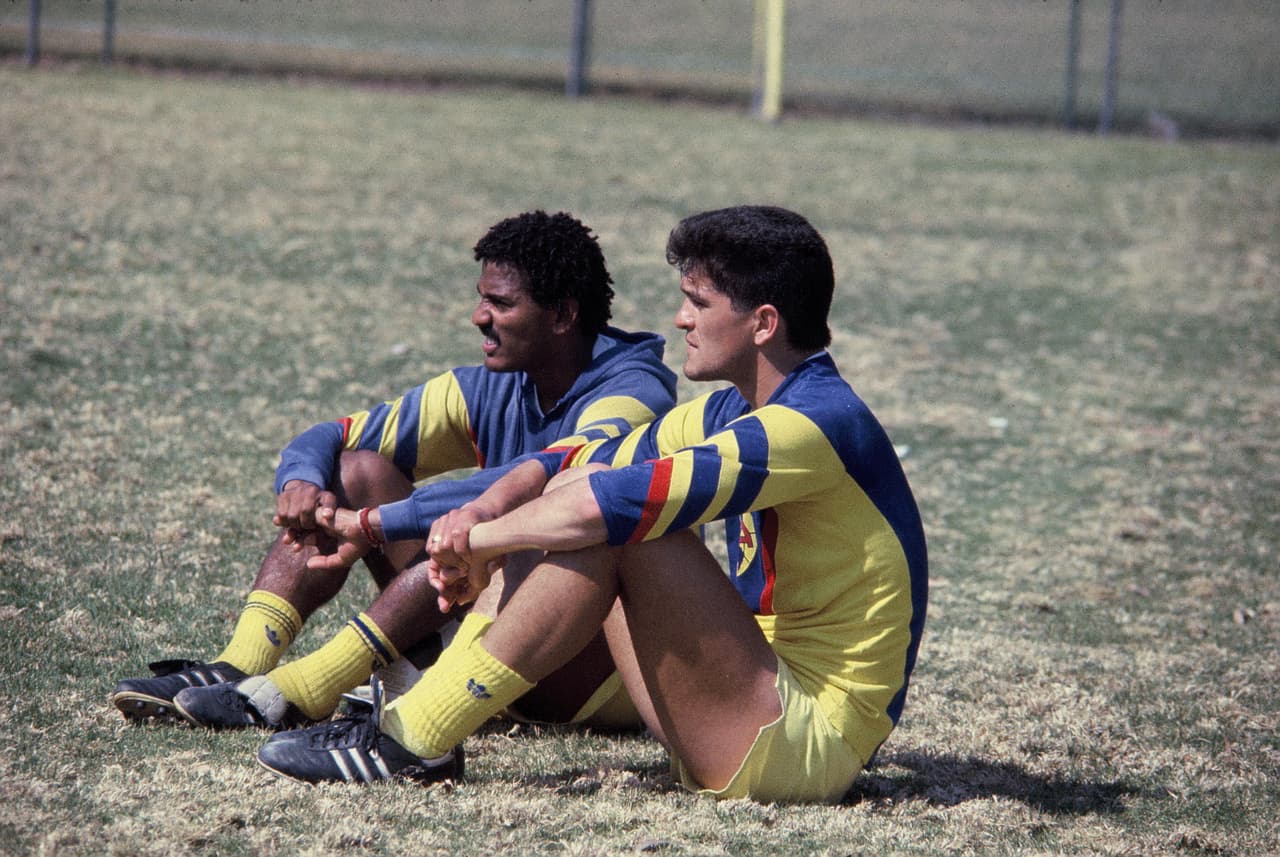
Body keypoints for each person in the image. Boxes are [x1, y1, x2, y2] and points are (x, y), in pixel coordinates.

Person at [257, 205, 928, 804]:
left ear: (763, 323)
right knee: (581, 502)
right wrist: (482, 513)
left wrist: (483, 541)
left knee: (618, 525)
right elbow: (589, 458)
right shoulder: (736, 406)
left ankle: (407, 736)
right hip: (749, 694)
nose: (680, 318)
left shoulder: (811, 425)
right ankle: (402, 720)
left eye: (698, 301)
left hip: (803, 743)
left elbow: (615, 502)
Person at [110, 210, 677, 733]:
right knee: (356, 468)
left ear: (562, 315)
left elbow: (533, 488)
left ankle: (312, 686)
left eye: (501, 304)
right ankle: (239, 666)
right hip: (484, 617)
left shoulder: (634, 394)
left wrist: (378, 522)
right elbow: (334, 436)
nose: (479, 317)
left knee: (520, 527)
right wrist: (302, 481)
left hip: (591, 669)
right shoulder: (491, 383)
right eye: (481, 299)